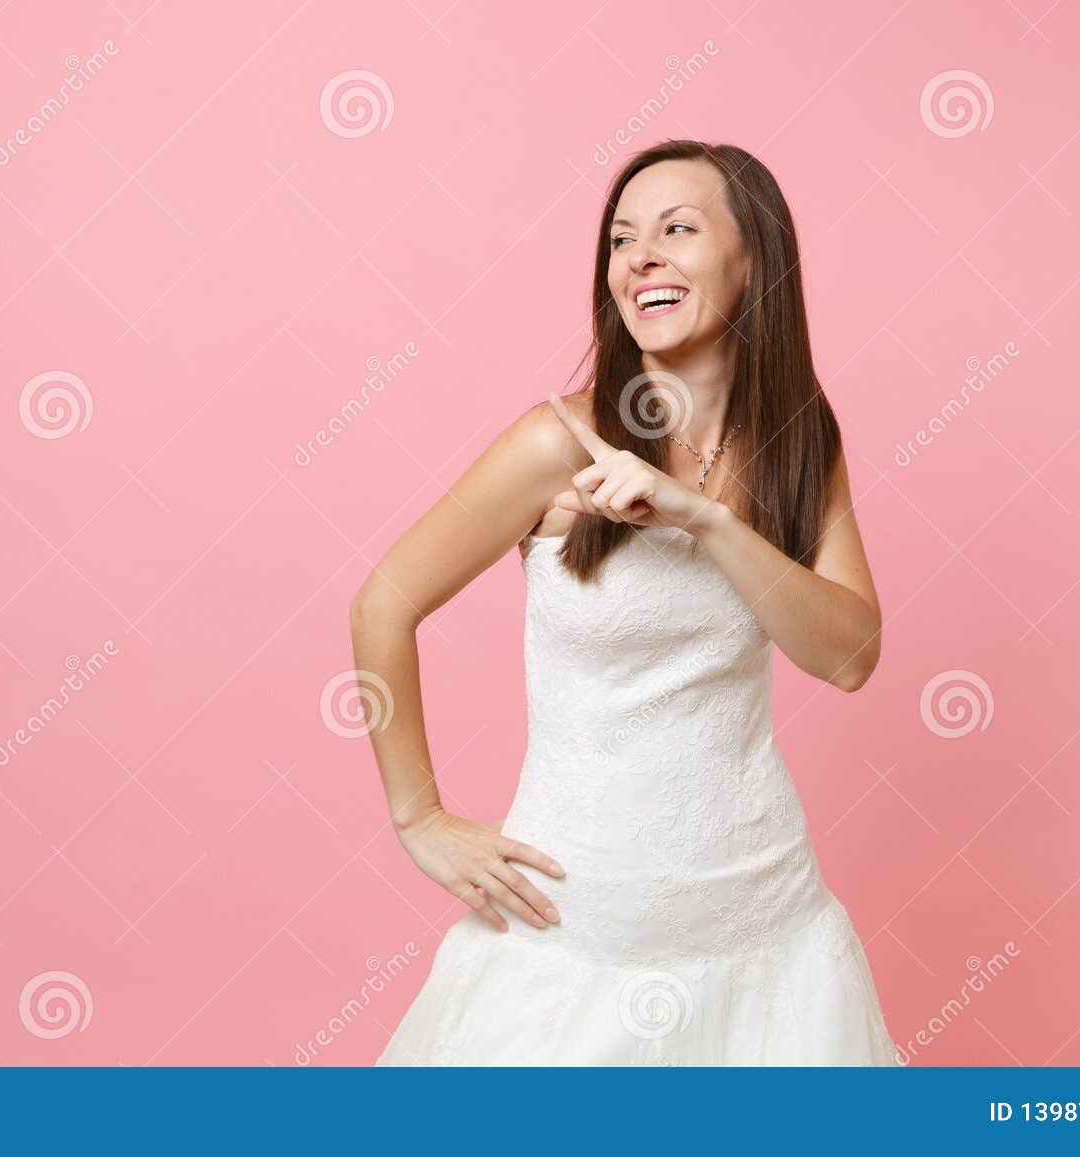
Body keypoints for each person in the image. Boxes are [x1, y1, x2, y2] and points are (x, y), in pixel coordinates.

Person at [349, 139, 902, 1064]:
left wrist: (709, 523)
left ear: (753, 257)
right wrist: (420, 820)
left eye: (676, 229)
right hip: (574, 936)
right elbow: (383, 603)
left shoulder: (802, 439)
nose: (637, 257)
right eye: (620, 238)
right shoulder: (556, 443)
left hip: (770, 935)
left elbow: (848, 656)